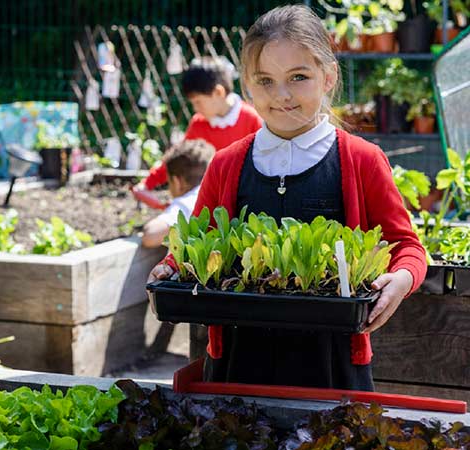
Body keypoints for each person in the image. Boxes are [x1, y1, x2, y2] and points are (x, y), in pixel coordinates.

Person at [147, 5, 426, 390]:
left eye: (298, 77)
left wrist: (402, 278)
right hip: (236, 360)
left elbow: (406, 246)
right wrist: (171, 267)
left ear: (328, 77)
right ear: (246, 85)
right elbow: (199, 245)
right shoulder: (227, 164)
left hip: (333, 363)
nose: (281, 96)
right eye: (265, 81)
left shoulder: (361, 160)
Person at [133, 56, 262, 204]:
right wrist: (147, 184)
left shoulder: (251, 119)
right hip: (211, 197)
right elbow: (179, 158)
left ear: (218, 92)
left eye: (198, 102)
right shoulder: (199, 123)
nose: (195, 108)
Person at [141, 139, 214, 248]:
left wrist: (174, 208)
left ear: (176, 181)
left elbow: (151, 236)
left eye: (168, 182)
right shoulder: (215, 191)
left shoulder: (188, 202)